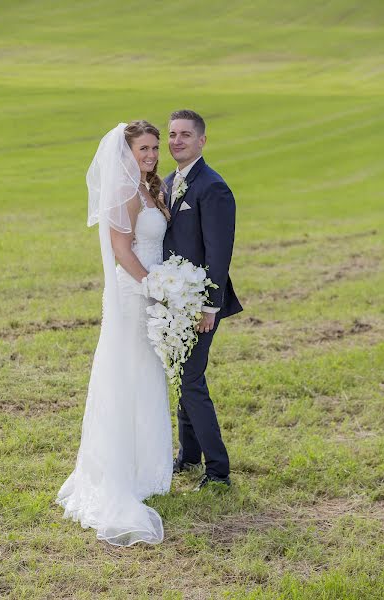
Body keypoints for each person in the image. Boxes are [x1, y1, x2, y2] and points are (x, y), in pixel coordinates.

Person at [55, 121, 173, 546]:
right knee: (129, 375)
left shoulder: (149, 189)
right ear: (126, 152)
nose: (152, 155)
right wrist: (156, 288)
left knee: (147, 375)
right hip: (134, 295)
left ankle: (149, 466)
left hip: (151, 291)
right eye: (144, 148)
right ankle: (125, 471)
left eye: (155, 148)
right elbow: (123, 253)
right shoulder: (125, 193)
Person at [163, 109, 243, 491]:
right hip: (175, 304)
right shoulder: (169, 181)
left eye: (184, 135)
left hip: (201, 306)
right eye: (172, 134)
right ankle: (188, 455)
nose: (176, 140)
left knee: (191, 379)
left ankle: (218, 471)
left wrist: (209, 305)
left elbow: (218, 252)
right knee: (183, 376)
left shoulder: (213, 187)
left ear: (201, 141)